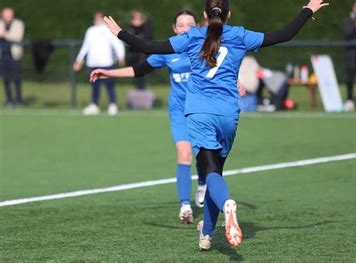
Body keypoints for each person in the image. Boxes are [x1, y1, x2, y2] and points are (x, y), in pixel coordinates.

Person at [102, 0, 329, 250]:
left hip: (199, 112)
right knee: (214, 173)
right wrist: (308, 10)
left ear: (203, 15)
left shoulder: (192, 36)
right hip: (227, 114)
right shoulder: (240, 35)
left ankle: (227, 204)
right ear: (228, 14)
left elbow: (149, 46)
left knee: (211, 173)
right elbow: (283, 35)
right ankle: (207, 233)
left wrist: (120, 32)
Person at [90, 10, 207, 225]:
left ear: (198, 26)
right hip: (179, 111)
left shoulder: (206, 48)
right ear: (174, 29)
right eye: (180, 25)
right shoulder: (169, 50)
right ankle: (185, 206)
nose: (185, 29)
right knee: (184, 153)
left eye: (190, 24)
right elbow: (140, 69)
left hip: (203, 111)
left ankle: (202, 183)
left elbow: (225, 67)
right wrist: (109, 73)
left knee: (202, 154)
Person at [74, 11, 125, 116]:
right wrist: (79, 60)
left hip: (106, 63)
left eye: (99, 18)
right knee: (94, 86)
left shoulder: (108, 30)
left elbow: (117, 43)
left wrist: (121, 56)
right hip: (92, 63)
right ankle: (94, 105)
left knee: (109, 85)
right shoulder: (90, 30)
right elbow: (85, 46)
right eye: (95, 18)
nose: (96, 20)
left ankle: (113, 105)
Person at [0, 7, 24, 107]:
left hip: (14, 55)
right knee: (5, 79)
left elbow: (17, 37)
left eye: (10, 15)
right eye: (6, 15)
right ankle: (8, 100)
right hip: (3, 55)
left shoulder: (18, 24)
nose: (8, 17)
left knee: (17, 78)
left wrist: (4, 34)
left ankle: (18, 100)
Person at [126, 11, 153, 90]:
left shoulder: (146, 27)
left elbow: (146, 40)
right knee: (134, 72)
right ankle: (138, 87)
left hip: (142, 54)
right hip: (133, 53)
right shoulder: (130, 28)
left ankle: (141, 88)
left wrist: (135, 39)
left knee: (141, 72)